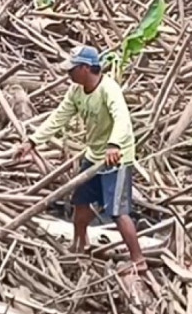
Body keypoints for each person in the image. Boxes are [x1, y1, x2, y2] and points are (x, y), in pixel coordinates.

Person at [15, 45, 147, 274]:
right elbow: (59, 117)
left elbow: (122, 120)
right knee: (81, 202)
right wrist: (33, 141)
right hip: (94, 155)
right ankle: (80, 243)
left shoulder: (108, 90)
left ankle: (138, 259)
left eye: (72, 70)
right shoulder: (76, 92)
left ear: (86, 68)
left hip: (117, 158)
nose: (69, 74)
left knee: (117, 211)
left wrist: (114, 145)